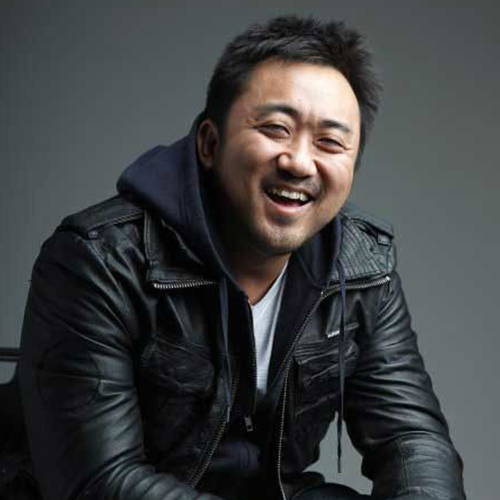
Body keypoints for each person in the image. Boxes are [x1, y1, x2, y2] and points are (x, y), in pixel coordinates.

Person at [11, 14, 465, 500]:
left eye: (330, 143)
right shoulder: (100, 261)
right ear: (210, 143)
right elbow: (100, 482)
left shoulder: (362, 269)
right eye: (276, 129)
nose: (299, 162)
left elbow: (412, 440)